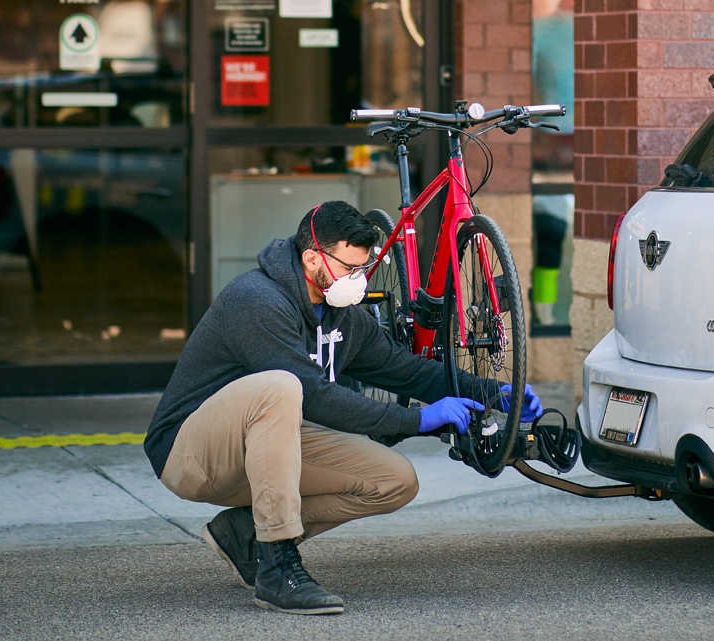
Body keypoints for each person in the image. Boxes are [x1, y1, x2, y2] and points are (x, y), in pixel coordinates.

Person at [144, 201, 542, 615]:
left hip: (263, 445)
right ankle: (277, 566)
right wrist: (416, 420)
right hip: (190, 452)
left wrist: (497, 392)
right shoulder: (256, 301)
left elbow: (405, 370)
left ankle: (245, 534)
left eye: (362, 269)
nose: (356, 281)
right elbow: (315, 396)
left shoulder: (341, 313)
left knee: (394, 479)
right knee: (283, 386)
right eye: (348, 269)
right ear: (311, 257)